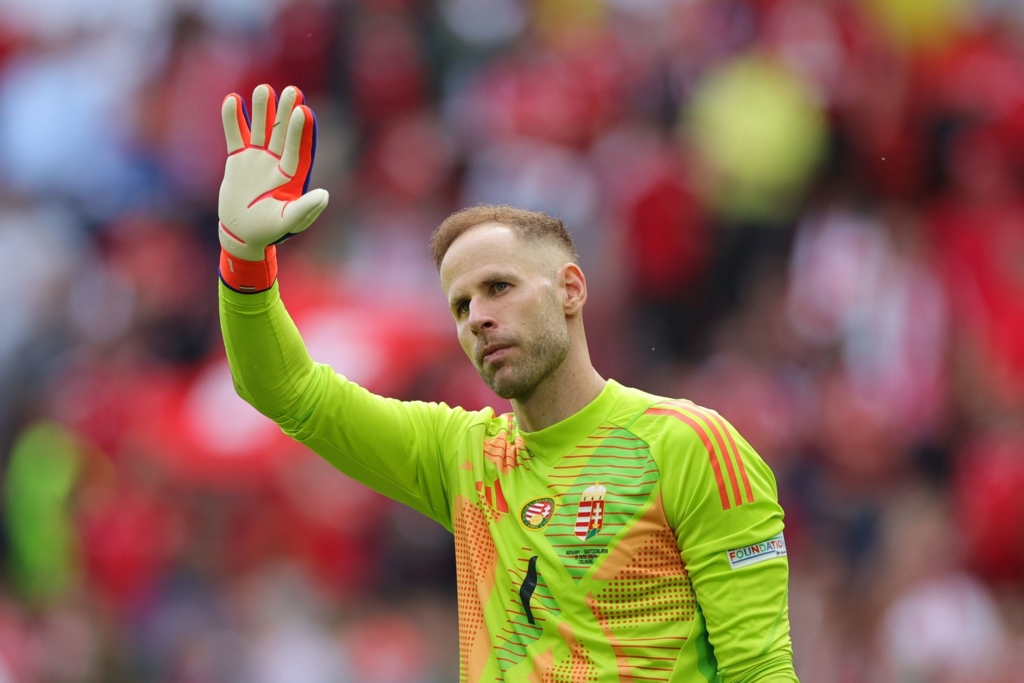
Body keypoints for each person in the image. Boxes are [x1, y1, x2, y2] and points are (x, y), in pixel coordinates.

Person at [217, 85, 799, 682]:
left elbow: (760, 669)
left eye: (498, 287)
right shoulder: (463, 458)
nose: (478, 318)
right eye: (460, 306)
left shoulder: (690, 445)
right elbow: (285, 390)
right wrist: (243, 258)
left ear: (570, 289)